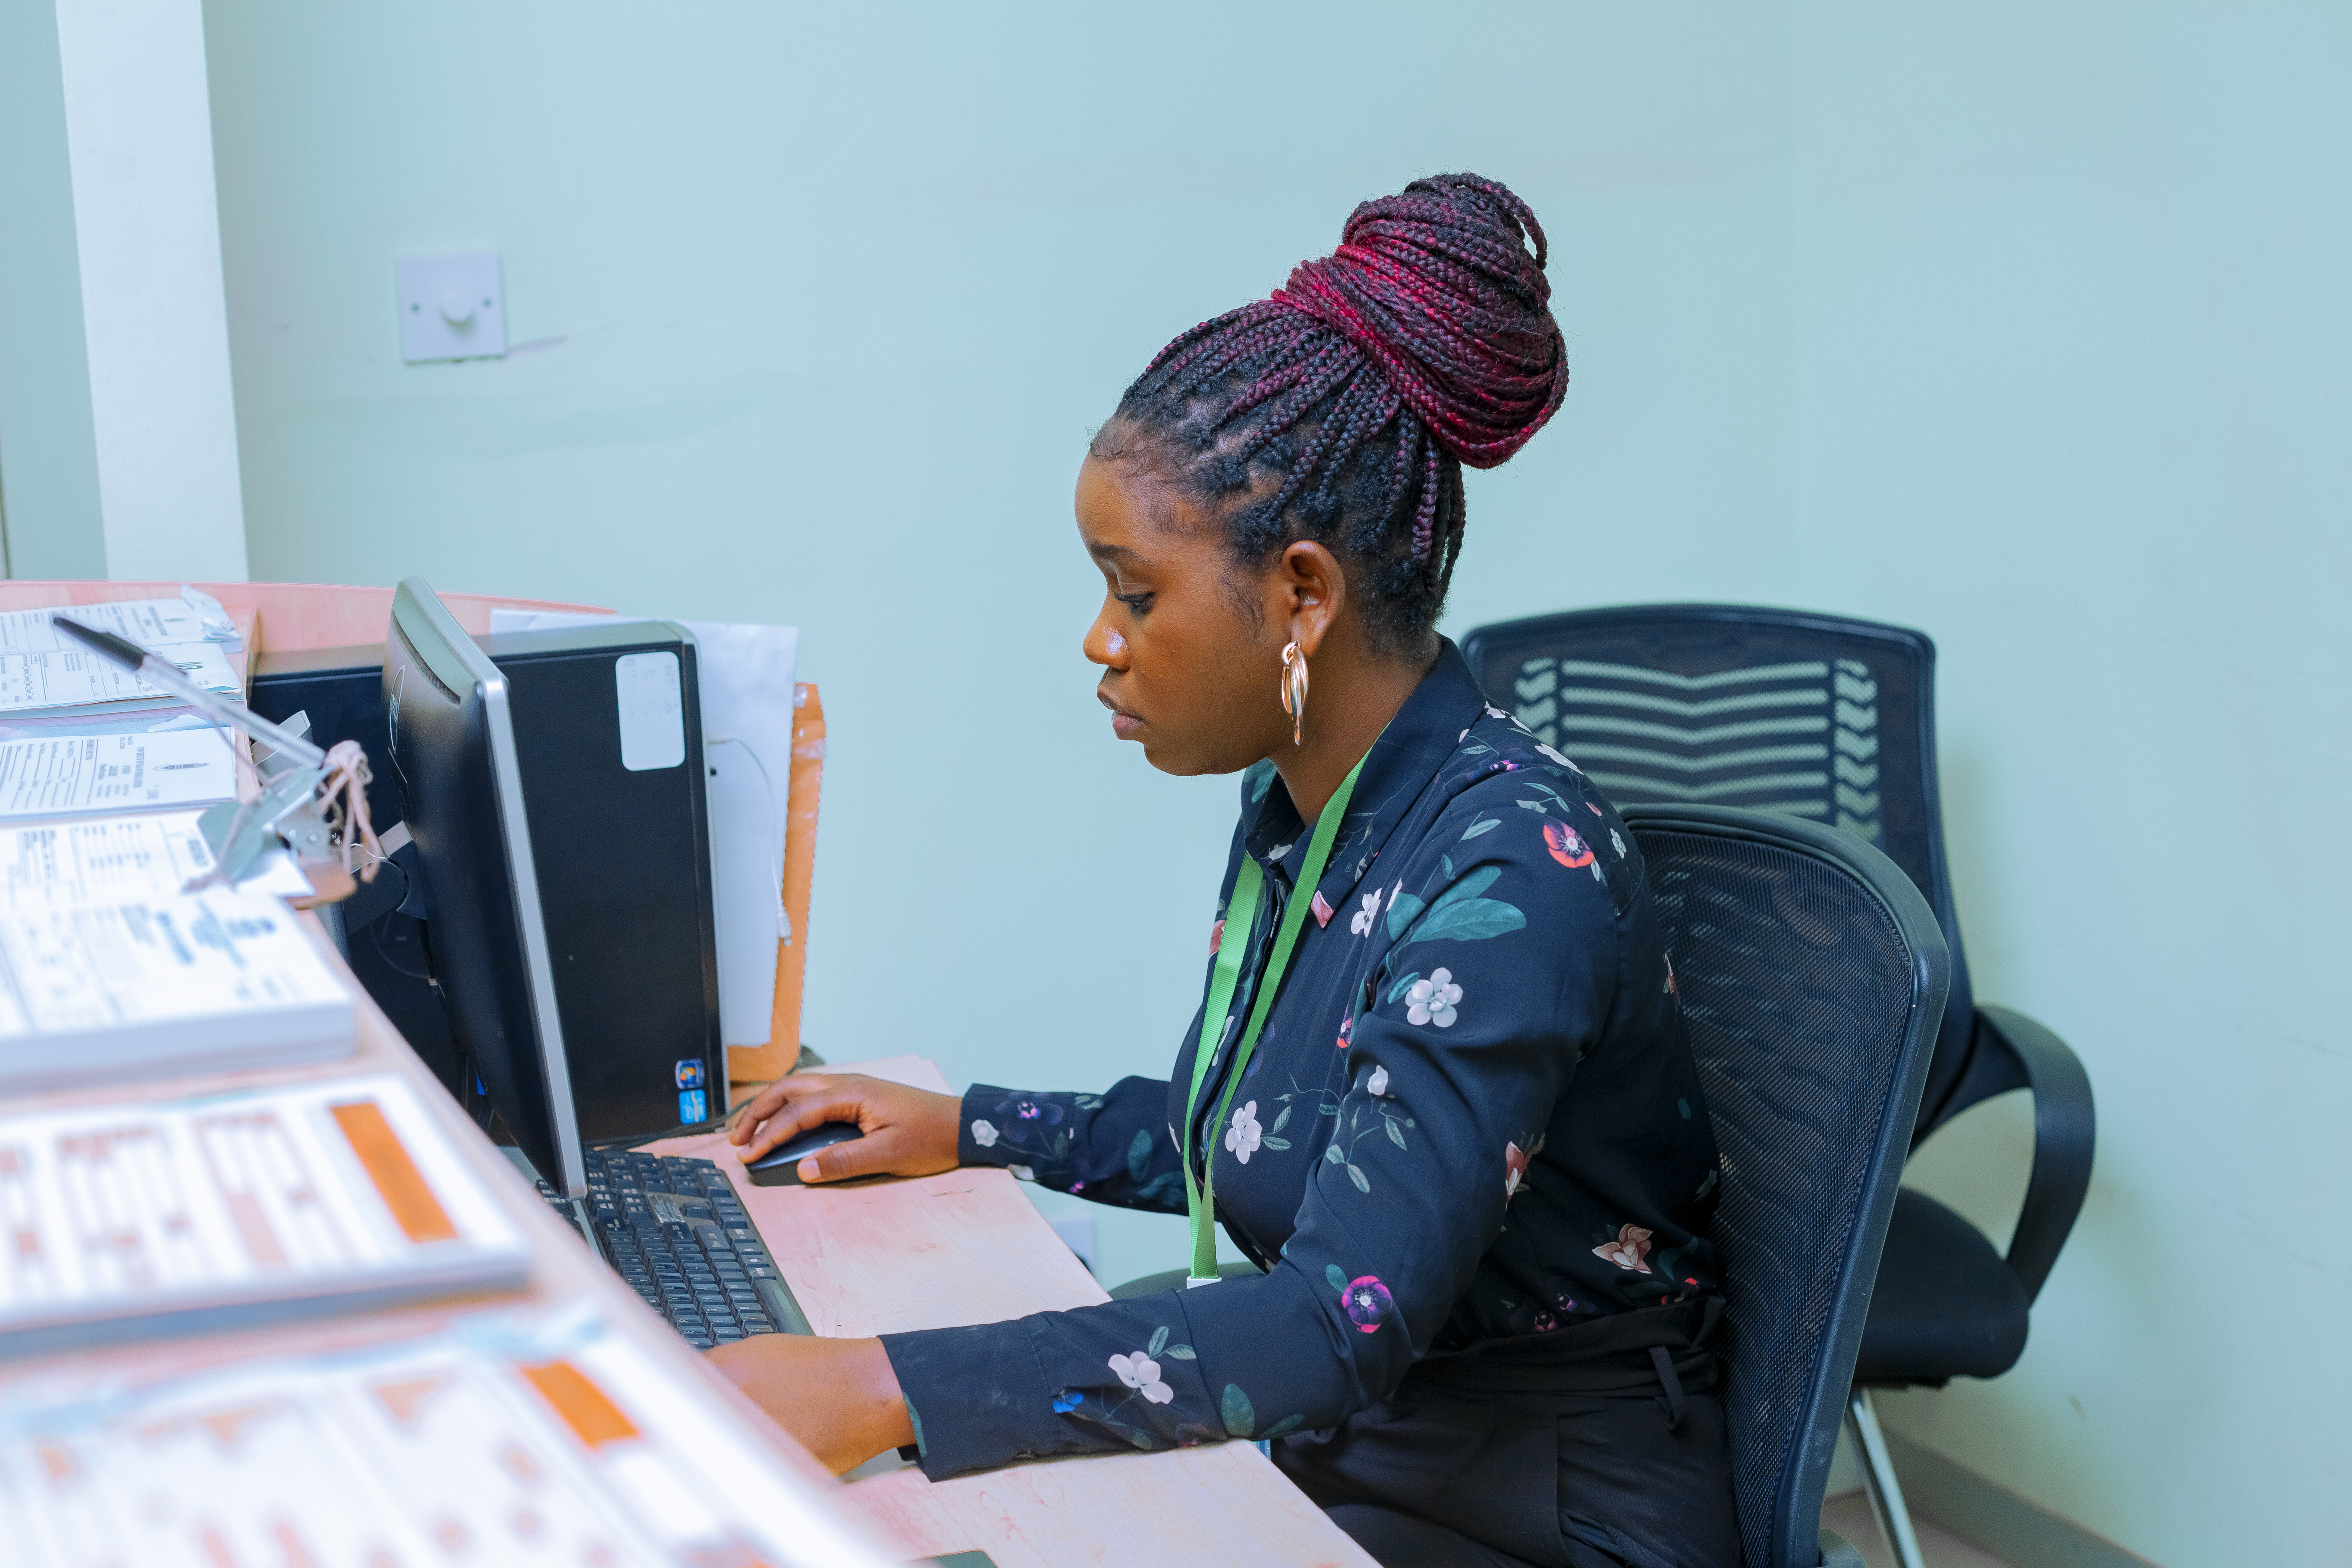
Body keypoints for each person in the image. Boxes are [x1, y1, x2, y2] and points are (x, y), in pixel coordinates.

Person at [708, 173, 1737, 1568]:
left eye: (1135, 592)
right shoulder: (1311, 803)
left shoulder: (1509, 874)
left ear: (1303, 597)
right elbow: (1255, 1138)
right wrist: (970, 1123)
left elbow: (1337, 1318)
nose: (1100, 639)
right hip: (1363, 1443)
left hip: (1540, 1507)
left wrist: (879, 1382)